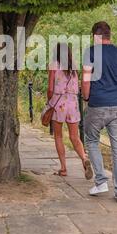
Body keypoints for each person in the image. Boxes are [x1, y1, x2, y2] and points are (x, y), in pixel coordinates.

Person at [82, 21, 117, 204]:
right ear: (109, 35)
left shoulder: (90, 52)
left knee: (91, 140)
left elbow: (86, 80)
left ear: (95, 36)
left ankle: (101, 181)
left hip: (97, 105)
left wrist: (86, 97)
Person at [47, 43, 93, 179]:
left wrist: (49, 102)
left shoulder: (53, 66)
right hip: (73, 104)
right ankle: (84, 159)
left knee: (58, 136)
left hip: (58, 103)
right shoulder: (74, 68)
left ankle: (63, 168)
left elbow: (50, 88)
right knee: (75, 137)